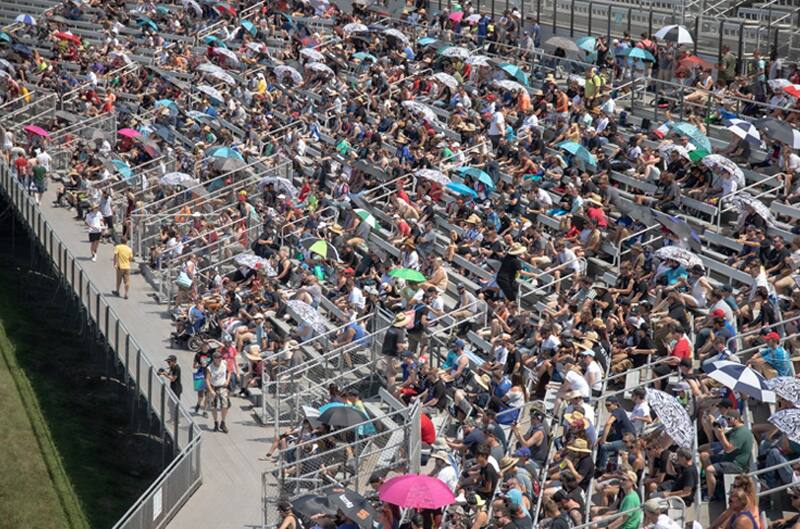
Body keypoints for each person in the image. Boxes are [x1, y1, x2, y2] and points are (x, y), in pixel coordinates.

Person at [699, 410, 755, 499]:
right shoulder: (735, 429)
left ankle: (710, 496)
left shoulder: (741, 433)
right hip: (728, 458)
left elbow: (728, 449)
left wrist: (721, 435)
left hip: (736, 465)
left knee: (709, 469)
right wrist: (716, 429)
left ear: (736, 419)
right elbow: (722, 439)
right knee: (704, 455)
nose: (727, 421)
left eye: (729, 419)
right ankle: (712, 481)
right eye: (726, 419)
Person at [206, 351, 231, 433]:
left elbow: (229, 370)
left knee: (225, 405)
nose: (219, 359)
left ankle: (223, 422)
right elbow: (207, 380)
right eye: (217, 358)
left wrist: (227, 380)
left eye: (220, 357)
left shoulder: (224, 363)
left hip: (222, 387)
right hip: (214, 387)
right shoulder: (210, 368)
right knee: (213, 407)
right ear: (214, 359)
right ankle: (216, 422)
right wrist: (211, 390)